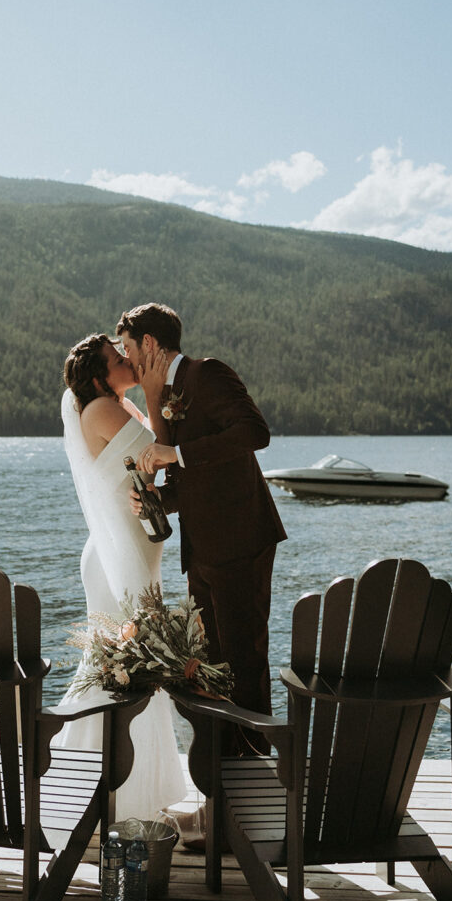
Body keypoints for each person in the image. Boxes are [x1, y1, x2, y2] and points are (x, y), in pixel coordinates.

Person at [117, 303, 287, 758]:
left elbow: (254, 432)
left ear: (150, 343)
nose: (127, 359)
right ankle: (225, 772)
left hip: (242, 540)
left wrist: (178, 454)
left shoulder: (206, 373)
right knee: (211, 665)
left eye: (129, 348)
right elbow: (189, 478)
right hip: (203, 550)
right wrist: (157, 502)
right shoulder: (165, 393)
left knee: (245, 660)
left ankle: (253, 767)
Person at [54, 332, 187, 820]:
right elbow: (160, 451)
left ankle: (130, 793)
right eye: (117, 359)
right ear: (98, 377)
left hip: (131, 546)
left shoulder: (117, 408)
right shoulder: (100, 412)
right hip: (117, 554)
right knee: (121, 667)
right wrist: (155, 387)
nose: (127, 360)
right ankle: (92, 788)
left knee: (133, 667)